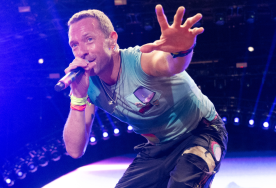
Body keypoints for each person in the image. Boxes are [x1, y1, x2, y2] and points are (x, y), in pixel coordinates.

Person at [63, 4, 228, 188]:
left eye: (89, 39)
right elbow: (75, 150)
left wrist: (181, 51)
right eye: (74, 45)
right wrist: (77, 98)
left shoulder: (141, 61)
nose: (81, 51)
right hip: (158, 148)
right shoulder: (86, 85)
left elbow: (171, 63)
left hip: (202, 132)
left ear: (112, 40)